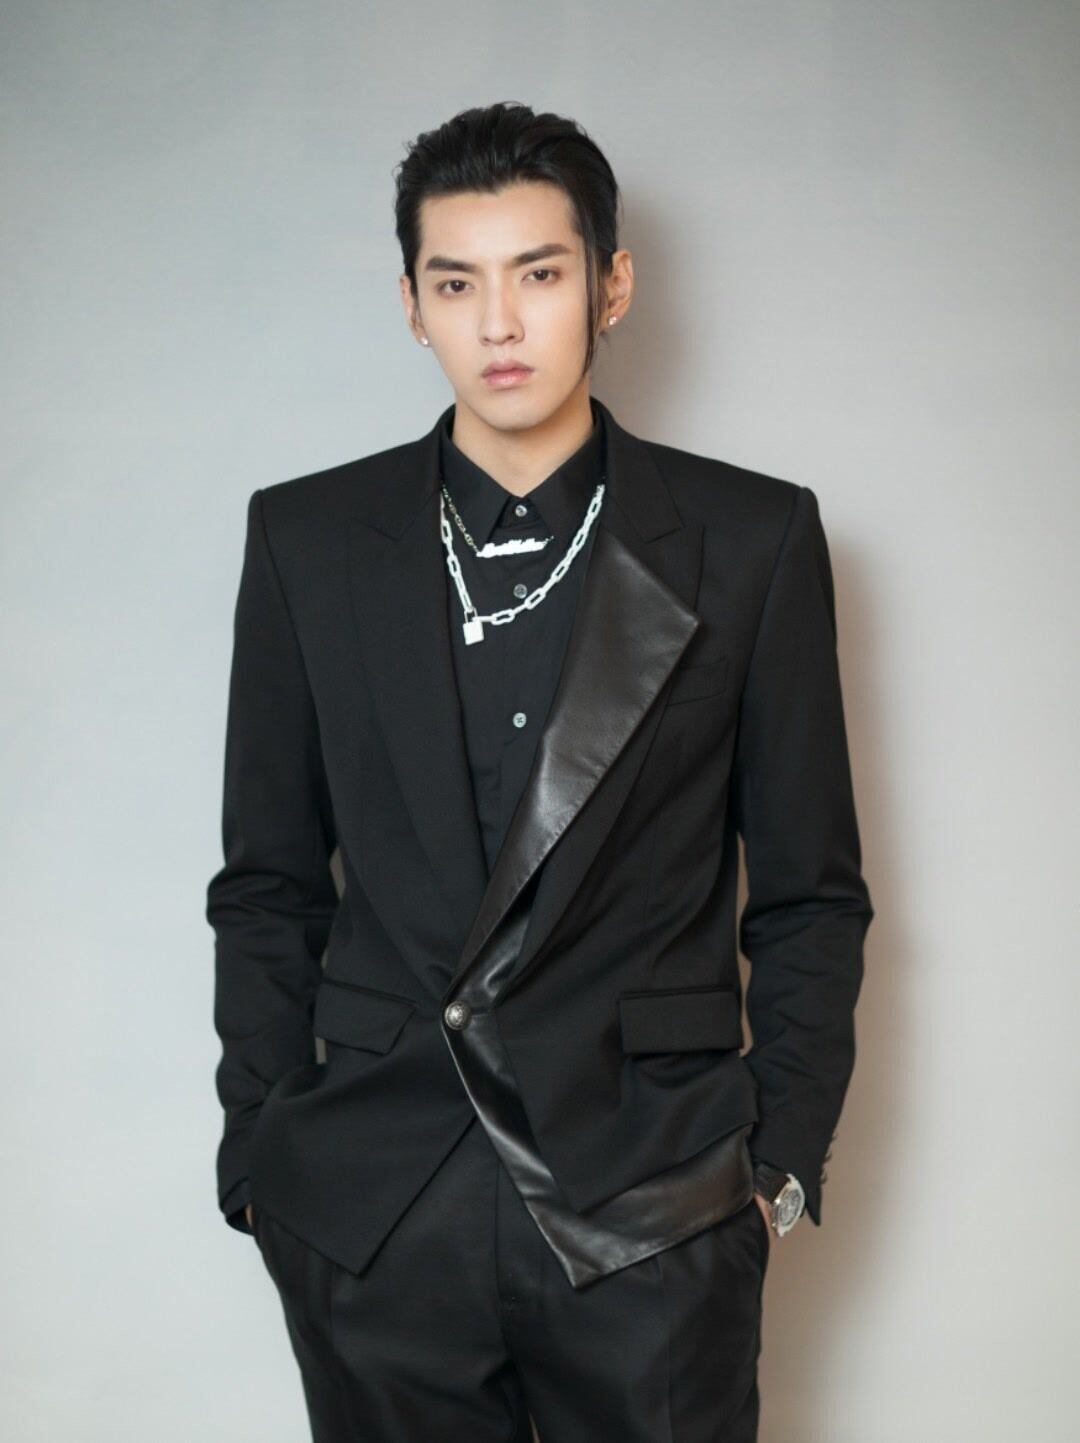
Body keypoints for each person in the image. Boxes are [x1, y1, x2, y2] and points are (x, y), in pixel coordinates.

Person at [207, 100, 874, 1442]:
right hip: (376, 1209)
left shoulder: (752, 541)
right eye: (457, 283)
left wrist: (776, 1167)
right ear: (412, 305)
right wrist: (261, 1153)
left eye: (540, 274)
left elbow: (811, 895)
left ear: (611, 286)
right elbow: (269, 882)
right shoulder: (307, 541)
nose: (499, 324)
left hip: (653, 1209)